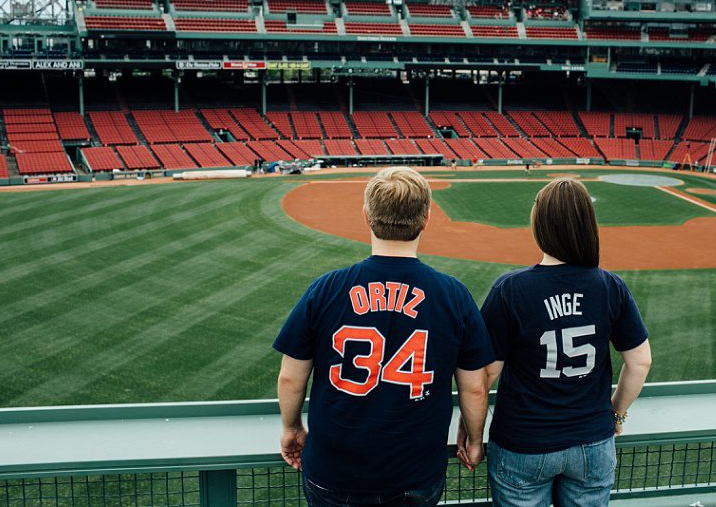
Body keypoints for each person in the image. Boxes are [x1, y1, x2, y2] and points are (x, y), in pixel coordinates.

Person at [273, 166, 494, 507]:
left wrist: (291, 429)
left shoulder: (325, 289)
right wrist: (476, 439)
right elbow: (475, 386)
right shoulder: (454, 295)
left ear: (367, 215)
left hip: (334, 470)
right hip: (415, 472)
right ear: (426, 218)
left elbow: (290, 378)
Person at [470, 177, 652, 506]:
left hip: (523, 443)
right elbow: (640, 361)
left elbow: (483, 375)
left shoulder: (510, 289)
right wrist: (616, 414)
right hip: (592, 442)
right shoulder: (610, 286)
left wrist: (472, 433)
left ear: (540, 225)